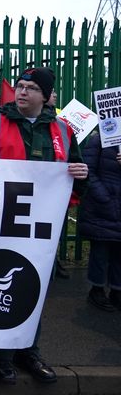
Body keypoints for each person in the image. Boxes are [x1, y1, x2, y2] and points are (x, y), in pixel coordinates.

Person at [0, 67, 88, 384]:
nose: (22, 92)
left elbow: (74, 178)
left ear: (46, 96)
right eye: (20, 85)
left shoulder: (63, 130)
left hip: (40, 230)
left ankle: (29, 350)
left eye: (31, 87)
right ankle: (1, 355)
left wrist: (80, 174)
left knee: (33, 289)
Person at [78, 133, 121, 312]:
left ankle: (117, 290)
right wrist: (104, 198)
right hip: (102, 207)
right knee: (100, 251)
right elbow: (88, 171)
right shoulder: (100, 139)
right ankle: (97, 290)